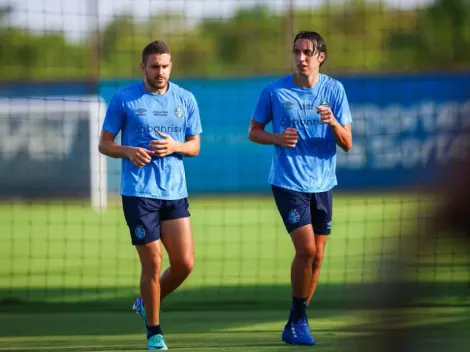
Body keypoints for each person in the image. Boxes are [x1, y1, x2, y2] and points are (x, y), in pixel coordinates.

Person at [248, 30, 353, 345]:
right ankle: (300, 319)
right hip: (288, 182)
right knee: (306, 250)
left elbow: (347, 143)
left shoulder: (334, 90)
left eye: (308, 52)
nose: (301, 57)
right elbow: (253, 132)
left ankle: (295, 321)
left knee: (318, 257)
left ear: (320, 56)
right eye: (297, 51)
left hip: (322, 184)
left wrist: (333, 122)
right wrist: (278, 138)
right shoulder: (275, 92)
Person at [98, 40, 202, 350]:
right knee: (153, 262)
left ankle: (146, 302)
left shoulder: (186, 99)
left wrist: (176, 146)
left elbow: (194, 146)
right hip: (138, 194)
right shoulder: (124, 99)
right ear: (143, 67)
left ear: (171, 66)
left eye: (165, 66)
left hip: (174, 192)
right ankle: (154, 332)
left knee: (184, 264)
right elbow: (104, 144)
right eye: (154, 66)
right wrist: (128, 151)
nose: (160, 71)